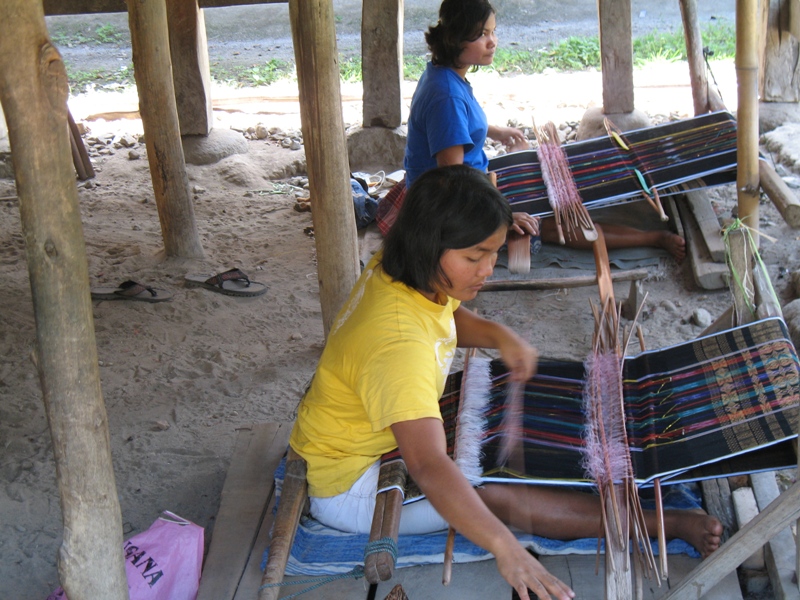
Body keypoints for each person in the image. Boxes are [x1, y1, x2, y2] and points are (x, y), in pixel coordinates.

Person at [290, 165, 722, 600]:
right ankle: (663, 523)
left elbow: (442, 314)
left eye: (494, 252)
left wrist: (498, 335)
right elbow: (427, 466)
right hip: (350, 485)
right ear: (428, 246)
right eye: (474, 257)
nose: (488, 269)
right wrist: (504, 547)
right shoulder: (398, 345)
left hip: (348, 434)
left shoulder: (400, 267)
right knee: (495, 492)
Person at [375, 0, 686, 262]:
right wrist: (505, 217)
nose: (492, 41)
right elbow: (452, 179)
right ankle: (653, 237)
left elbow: (452, 130)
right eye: (481, 34)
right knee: (548, 222)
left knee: (547, 187)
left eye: (493, 31)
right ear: (457, 39)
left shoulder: (445, 75)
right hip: (443, 205)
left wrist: (494, 132)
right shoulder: (446, 94)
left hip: (463, 183)